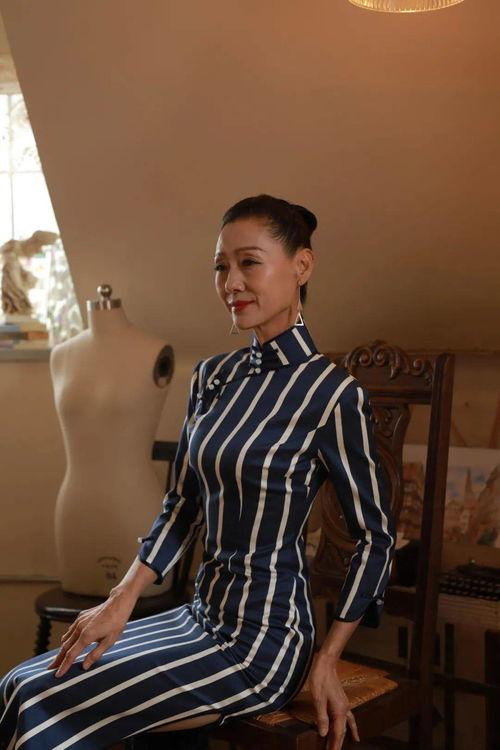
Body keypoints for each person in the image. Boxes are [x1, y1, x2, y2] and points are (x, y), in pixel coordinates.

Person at [0, 194, 396, 750]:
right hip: (197, 616)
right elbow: (182, 506)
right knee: (19, 682)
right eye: (220, 266)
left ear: (302, 266)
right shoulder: (212, 378)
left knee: (42, 701)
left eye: (249, 262)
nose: (231, 282)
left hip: (263, 642)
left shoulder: (332, 395)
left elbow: (376, 538)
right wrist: (121, 599)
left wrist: (327, 657)